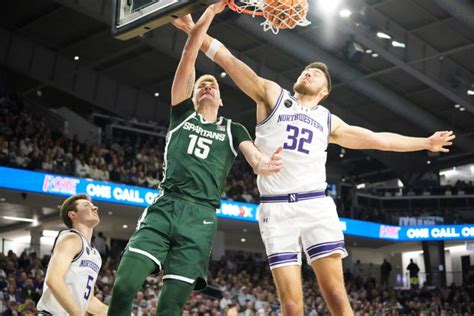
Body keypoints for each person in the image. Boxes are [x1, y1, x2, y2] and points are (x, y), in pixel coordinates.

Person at [173, 12, 455, 315]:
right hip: (276, 208)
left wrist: (425, 143)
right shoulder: (272, 96)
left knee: (336, 295)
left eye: (316, 74)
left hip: (315, 205)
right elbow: (229, 61)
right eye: (306, 69)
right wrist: (195, 31)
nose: (308, 72)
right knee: (292, 306)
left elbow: (378, 139)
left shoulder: (328, 121)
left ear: (324, 92)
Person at [107, 2, 282, 315]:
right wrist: (209, 13)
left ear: (221, 98)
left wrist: (261, 164)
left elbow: (253, 156)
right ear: (193, 93)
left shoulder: (232, 127)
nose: (208, 86)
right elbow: (190, 53)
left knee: (170, 307)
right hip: (166, 207)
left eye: (213, 85)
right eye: (202, 83)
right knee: (123, 287)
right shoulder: (182, 115)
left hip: (200, 218)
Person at [37, 194, 108, 316]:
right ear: (73, 215)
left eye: (93, 206)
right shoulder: (71, 238)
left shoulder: (95, 255)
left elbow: (88, 300)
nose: (95, 208)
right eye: (87, 205)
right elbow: (53, 280)